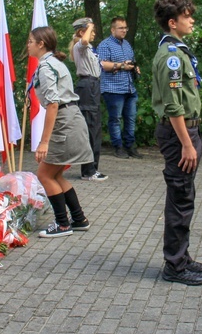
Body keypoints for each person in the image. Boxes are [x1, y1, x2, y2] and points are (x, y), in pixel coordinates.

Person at [151, 0, 202, 285]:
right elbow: (173, 105)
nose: (192, 20)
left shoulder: (179, 52)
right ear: (172, 22)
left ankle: (182, 256)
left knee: (184, 195)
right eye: (187, 16)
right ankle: (174, 266)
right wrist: (187, 143)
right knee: (180, 199)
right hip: (180, 134)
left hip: (186, 132)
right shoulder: (171, 57)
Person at [29, 26, 93, 238]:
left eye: (30, 41)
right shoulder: (53, 62)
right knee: (55, 173)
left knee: (44, 174)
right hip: (70, 118)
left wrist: (44, 142)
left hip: (64, 121)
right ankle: (79, 219)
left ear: (41, 44)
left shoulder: (47, 67)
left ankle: (63, 224)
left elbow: (53, 104)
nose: (28, 45)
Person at [96, 16, 142, 159]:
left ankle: (130, 146)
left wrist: (135, 68)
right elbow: (102, 64)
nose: (124, 30)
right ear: (112, 29)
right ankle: (118, 147)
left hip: (129, 87)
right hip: (113, 88)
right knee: (115, 119)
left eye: (125, 28)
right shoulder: (105, 45)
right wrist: (122, 65)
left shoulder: (127, 45)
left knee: (131, 118)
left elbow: (130, 62)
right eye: (121, 28)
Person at [69, 17, 107, 182]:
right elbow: (84, 40)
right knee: (91, 129)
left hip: (93, 86)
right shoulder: (80, 46)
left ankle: (92, 168)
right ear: (82, 31)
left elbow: (100, 66)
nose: (93, 34)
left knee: (95, 129)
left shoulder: (89, 50)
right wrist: (90, 25)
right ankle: (88, 171)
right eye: (91, 30)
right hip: (88, 86)